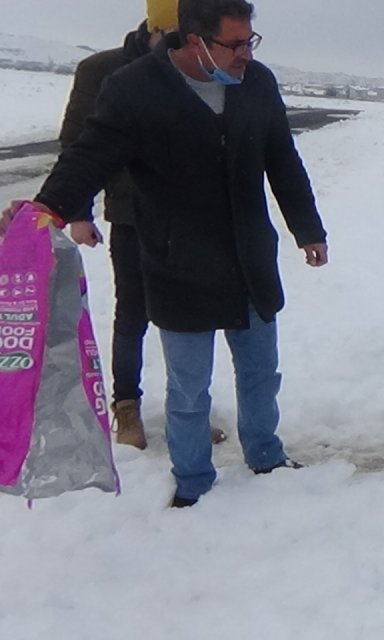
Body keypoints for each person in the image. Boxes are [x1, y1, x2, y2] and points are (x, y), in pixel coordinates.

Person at [12, 0, 328, 508]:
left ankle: (266, 457)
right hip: (179, 260)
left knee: (260, 372)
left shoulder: (258, 83)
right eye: (234, 44)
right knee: (188, 388)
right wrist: (49, 206)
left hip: (249, 257)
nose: (246, 54)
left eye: (251, 41)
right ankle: (193, 481)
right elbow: (90, 154)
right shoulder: (136, 88)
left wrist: (308, 229)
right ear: (192, 38)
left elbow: (282, 159)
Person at [57, 0, 226, 450]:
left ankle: (186, 412)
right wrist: (77, 213)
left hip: (191, 219)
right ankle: (126, 408)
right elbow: (77, 146)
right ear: (156, 29)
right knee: (132, 313)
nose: (187, 48)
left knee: (188, 316)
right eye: (177, 37)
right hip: (131, 214)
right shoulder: (103, 71)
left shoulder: (203, 67)